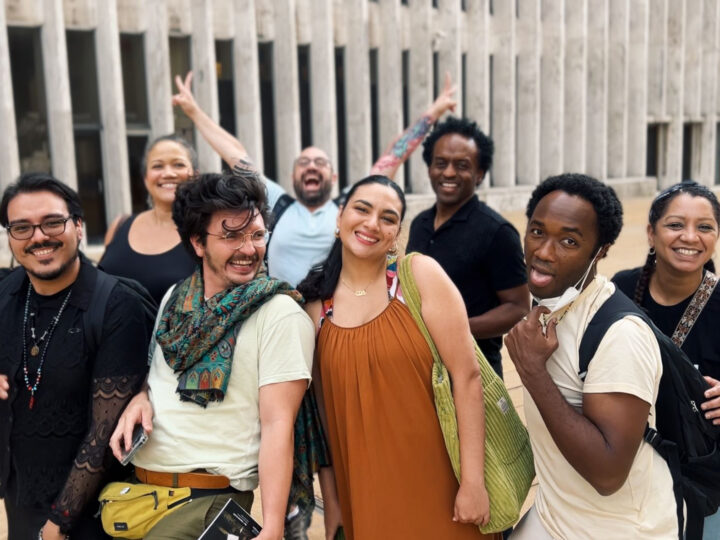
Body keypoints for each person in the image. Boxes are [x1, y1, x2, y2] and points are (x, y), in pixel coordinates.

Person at [109, 172, 314, 540]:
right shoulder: (176, 296)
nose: (249, 249)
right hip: (138, 494)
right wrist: (141, 396)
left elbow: (278, 425)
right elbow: (159, 370)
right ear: (198, 242)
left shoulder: (278, 313)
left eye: (256, 234)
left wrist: (272, 527)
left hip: (209, 500)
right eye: (231, 236)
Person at [297, 175, 500, 540]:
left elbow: (467, 377)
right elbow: (323, 413)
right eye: (362, 209)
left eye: (388, 218)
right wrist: (334, 500)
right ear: (340, 216)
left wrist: (473, 482)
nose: (372, 223)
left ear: (397, 233)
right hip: (363, 483)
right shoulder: (315, 307)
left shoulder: (418, 277)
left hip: (441, 482)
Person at [504, 173, 677, 538]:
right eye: (537, 231)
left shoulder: (620, 335)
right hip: (553, 517)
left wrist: (533, 373)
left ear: (600, 251)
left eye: (568, 240)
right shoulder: (551, 306)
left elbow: (608, 473)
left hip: (618, 530)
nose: (543, 252)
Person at [172, 71, 458, 286]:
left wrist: (434, 112)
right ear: (293, 176)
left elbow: (393, 156)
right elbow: (235, 154)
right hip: (281, 317)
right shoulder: (276, 202)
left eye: (320, 163)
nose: (312, 166)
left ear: (333, 177)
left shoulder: (351, 206)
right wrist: (193, 112)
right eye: (304, 163)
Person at [0, 173, 152, 539]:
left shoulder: (117, 304)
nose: (38, 237)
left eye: (52, 222)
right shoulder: (6, 291)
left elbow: (103, 433)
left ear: (78, 227)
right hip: (20, 496)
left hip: (96, 512)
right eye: (22, 227)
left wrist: (58, 524)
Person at [612, 180, 720, 539]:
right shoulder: (620, 291)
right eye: (675, 224)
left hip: (700, 478)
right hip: (627, 471)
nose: (690, 237)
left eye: (704, 227)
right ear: (651, 233)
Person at [406, 116, 529, 379]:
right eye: (441, 163)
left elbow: (518, 307)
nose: (449, 172)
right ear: (429, 168)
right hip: (421, 368)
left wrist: (455, 329)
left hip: (475, 371)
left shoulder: (497, 232)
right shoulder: (419, 224)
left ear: (480, 173)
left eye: (462, 165)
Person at [98, 134, 198, 305]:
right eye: (157, 166)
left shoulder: (205, 230)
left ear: (194, 174)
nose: (168, 173)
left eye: (178, 164)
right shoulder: (120, 225)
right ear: (146, 178)